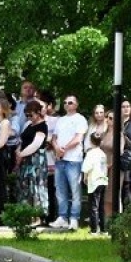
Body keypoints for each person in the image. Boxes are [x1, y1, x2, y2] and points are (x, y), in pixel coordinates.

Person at [50, 96, 88, 230]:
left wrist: (63, 149)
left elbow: (78, 138)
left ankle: (74, 218)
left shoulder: (80, 119)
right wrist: (56, 148)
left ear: (76, 104)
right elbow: (54, 138)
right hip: (60, 159)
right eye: (65, 102)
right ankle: (62, 217)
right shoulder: (60, 120)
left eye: (70, 102)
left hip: (73, 160)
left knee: (75, 190)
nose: (67, 104)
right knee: (60, 190)